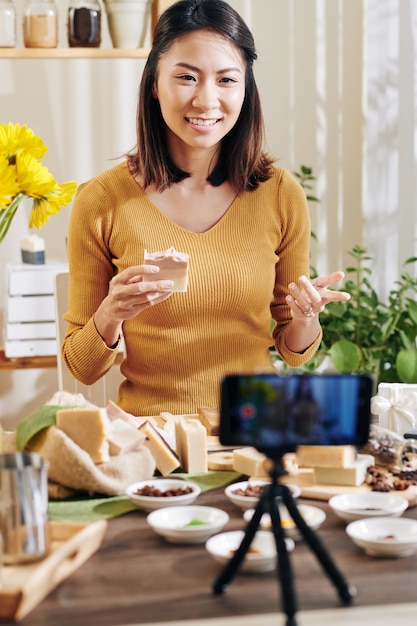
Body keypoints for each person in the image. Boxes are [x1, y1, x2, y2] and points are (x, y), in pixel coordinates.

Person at [63, 0, 350, 417]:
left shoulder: (281, 194)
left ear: (245, 88)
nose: (206, 100)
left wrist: (306, 318)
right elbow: (82, 368)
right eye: (186, 77)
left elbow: (295, 353)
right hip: (153, 443)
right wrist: (110, 314)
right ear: (154, 83)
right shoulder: (101, 201)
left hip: (252, 436)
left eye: (226, 80)